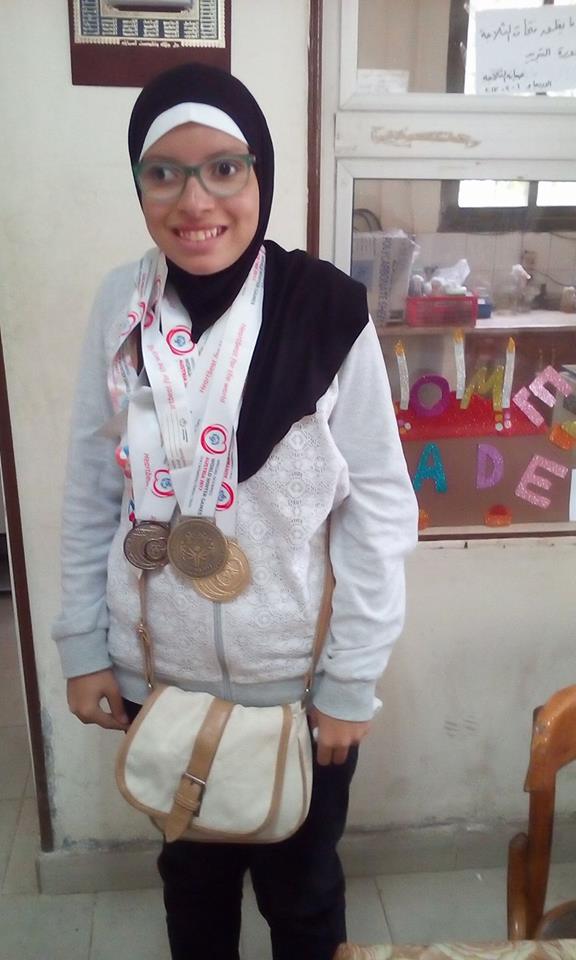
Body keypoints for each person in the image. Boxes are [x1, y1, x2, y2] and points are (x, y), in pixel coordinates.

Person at [53, 64, 418, 960]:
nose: (195, 200)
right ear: (139, 184)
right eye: (164, 173)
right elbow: (95, 485)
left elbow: (376, 506)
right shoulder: (123, 307)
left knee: (305, 904)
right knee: (195, 902)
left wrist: (350, 680)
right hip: (160, 681)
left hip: (299, 692)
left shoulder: (326, 312)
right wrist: (84, 645)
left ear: (262, 174)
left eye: (224, 168)